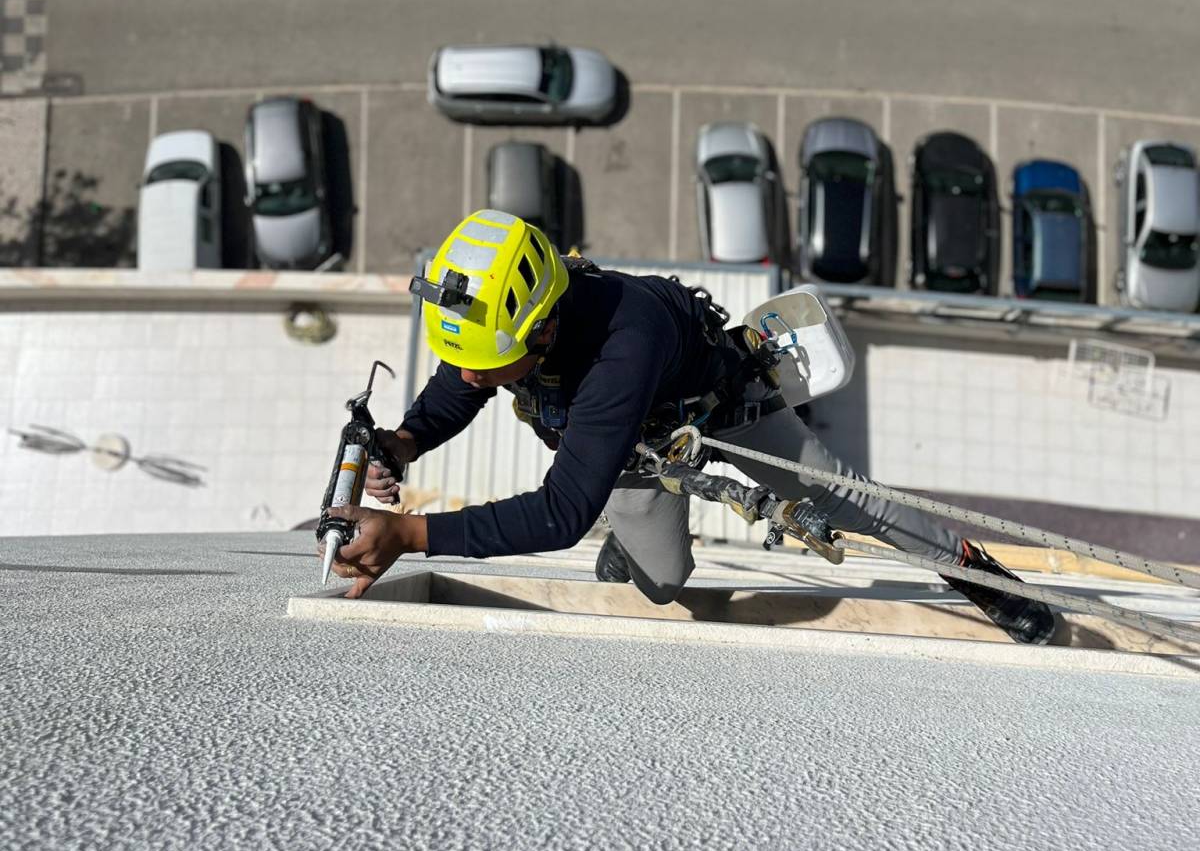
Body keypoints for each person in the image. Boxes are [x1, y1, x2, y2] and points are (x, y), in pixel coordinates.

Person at [325, 209, 1056, 644]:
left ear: (543, 329)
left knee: (849, 498)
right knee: (666, 583)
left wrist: (408, 536)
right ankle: (637, 548)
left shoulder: (622, 344)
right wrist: (407, 440)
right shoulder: (503, 319)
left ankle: (986, 580)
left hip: (724, 407)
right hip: (633, 450)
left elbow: (559, 514)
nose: (474, 378)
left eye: (492, 365)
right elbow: (462, 377)